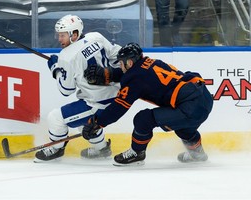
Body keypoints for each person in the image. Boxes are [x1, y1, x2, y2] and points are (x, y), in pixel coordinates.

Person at [82, 43, 213, 166]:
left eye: (121, 63)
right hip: (203, 98)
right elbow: (135, 74)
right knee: (184, 127)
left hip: (190, 107)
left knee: (143, 119)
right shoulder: (149, 63)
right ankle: (197, 154)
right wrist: (108, 75)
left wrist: (98, 123)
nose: (120, 67)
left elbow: (120, 106)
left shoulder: (135, 79)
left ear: (130, 62)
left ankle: (137, 153)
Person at [34, 14, 122, 162]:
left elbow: (66, 90)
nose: (59, 39)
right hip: (117, 95)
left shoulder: (66, 56)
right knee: (83, 120)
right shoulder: (96, 36)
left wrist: (56, 69)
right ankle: (101, 149)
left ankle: (56, 149)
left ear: (74, 34)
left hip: (98, 103)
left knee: (56, 118)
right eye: (59, 35)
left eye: (63, 35)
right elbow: (116, 55)